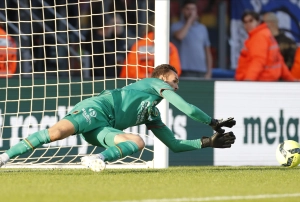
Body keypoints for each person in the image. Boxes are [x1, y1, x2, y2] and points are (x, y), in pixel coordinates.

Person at [0, 64, 236, 172]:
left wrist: (207, 142)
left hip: (104, 127)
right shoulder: (154, 84)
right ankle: (5, 156)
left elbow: (174, 145)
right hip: (98, 108)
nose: (177, 86)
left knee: (138, 142)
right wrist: (213, 122)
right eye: (175, 81)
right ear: (163, 79)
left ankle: (97, 159)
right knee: (56, 133)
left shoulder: (152, 113)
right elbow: (187, 108)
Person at [235, 10, 295, 82]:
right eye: (245, 22)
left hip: (259, 82)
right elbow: (279, 61)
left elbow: (258, 61)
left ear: (257, 22)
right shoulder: (266, 34)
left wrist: (248, 80)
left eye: (251, 21)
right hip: (265, 82)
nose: (248, 24)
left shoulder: (259, 37)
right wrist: (291, 80)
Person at [171, 0, 212, 78]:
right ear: (183, 10)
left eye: (193, 9)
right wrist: (190, 21)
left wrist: (209, 71)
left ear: (196, 11)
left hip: (201, 70)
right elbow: (180, 36)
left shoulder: (202, 28)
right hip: (183, 69)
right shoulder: (176, 26)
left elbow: (207, 51)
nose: (190, 12)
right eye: (188, 9)